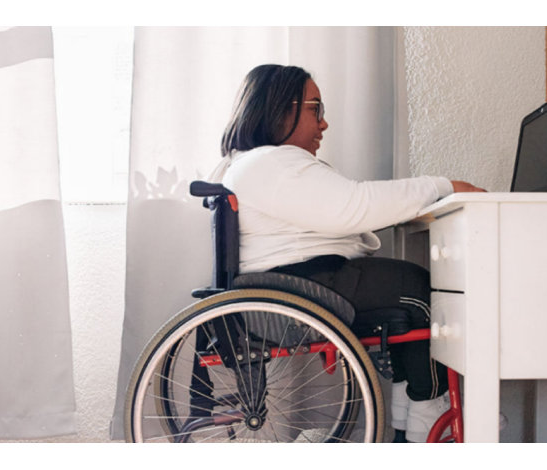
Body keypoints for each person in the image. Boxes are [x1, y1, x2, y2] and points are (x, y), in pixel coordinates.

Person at [208, 64, 485, 442]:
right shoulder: (271, 163)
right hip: (304, 282)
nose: (324, 124)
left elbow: (346, 207)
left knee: (405, 292)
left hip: (289, 280)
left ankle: (413, 427)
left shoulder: (251, 164)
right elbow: (354, 205)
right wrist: (443, 185)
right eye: (315, 109)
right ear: (281, 108)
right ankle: (430, 419)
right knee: (423, 293)